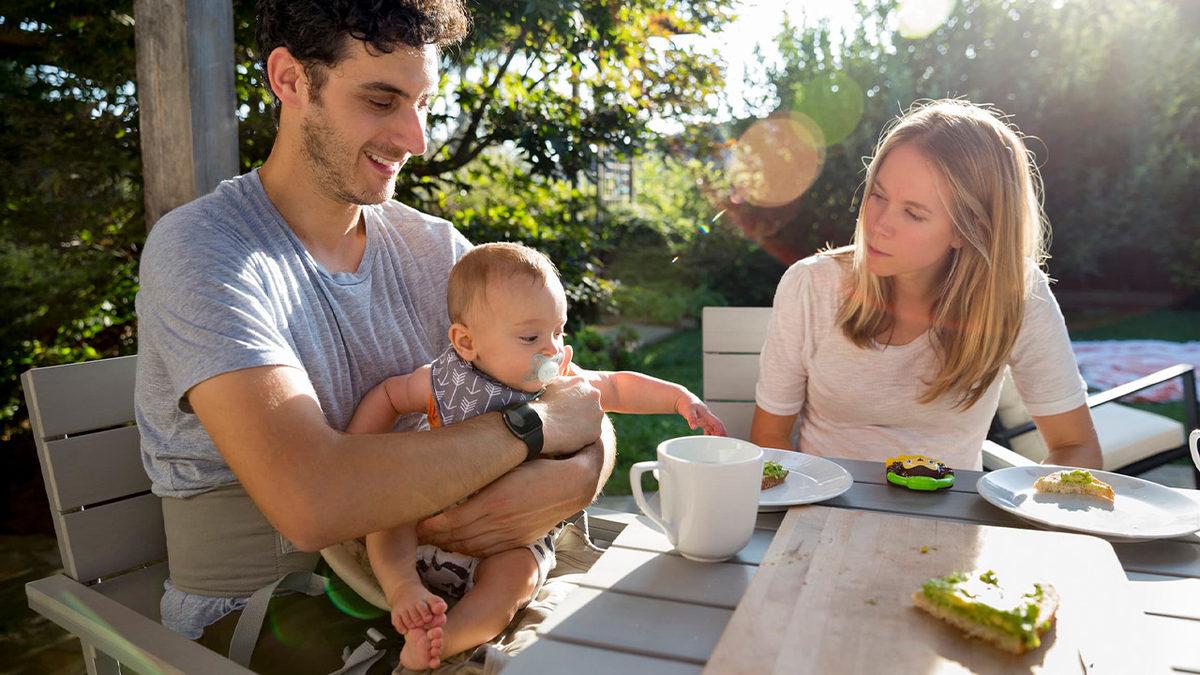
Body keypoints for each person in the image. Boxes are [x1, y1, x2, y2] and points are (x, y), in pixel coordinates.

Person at [133, 1, 611, 671]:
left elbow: (574, 395)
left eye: (422, 104)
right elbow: (312, 501)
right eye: (382, 100)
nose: (415, 138)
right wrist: (531, 432)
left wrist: (582, 473)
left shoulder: (434, 247)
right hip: (273, 616)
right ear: (291, 80)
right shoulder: (205, 250)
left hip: (448, 587)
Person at [339, 242, 724, 670]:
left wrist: (678, 399)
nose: (551, 349)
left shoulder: (558, 378)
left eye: (558, 331)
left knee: (512, 583)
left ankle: (441, 639)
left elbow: (615, 386)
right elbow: (390, 395)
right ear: (467, 342)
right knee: (390, 516)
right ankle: (405, 591)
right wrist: (356, 447)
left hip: (515, 538)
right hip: (433, 513)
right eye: (530, 336)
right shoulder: (442, 381)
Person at [750, 99, 1102, 471]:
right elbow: (768, 439)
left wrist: (1027, 515)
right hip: (825, 510)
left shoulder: (1019, 295)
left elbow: (1076, 447)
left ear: (970, 231)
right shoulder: (811, 285)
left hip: (951, 521)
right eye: (878, 195)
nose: (880, 223)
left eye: (914, 213)